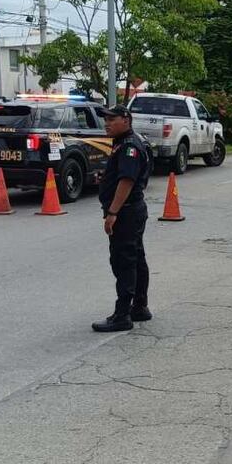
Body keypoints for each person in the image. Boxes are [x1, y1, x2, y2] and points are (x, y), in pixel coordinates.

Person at [93, 105, 152, 333]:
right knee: (136, 258)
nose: (107, 123)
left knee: (123, 261)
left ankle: (122, 315)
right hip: (131, 210)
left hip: (126, 212)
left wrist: (112, 213)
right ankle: (139, 307)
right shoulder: (124, 142)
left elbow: (127, 181)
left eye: (112, 119)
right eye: (105, 120)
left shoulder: (129, 146)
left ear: (126, 120)